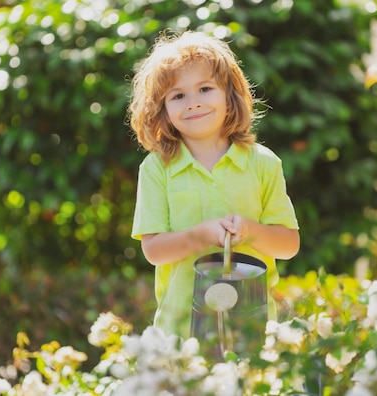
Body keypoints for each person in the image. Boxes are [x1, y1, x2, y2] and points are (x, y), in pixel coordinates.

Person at [128, 30, 300, 340]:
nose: (193, 103)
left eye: (205, 89)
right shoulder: (156, 169)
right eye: (178, 95)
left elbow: (288, 245)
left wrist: (252, 230)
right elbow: (153, 250)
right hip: (180, 333)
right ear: (161, 108)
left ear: (229, 95)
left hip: (253, 329)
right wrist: (200, 235)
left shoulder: (263, 163)